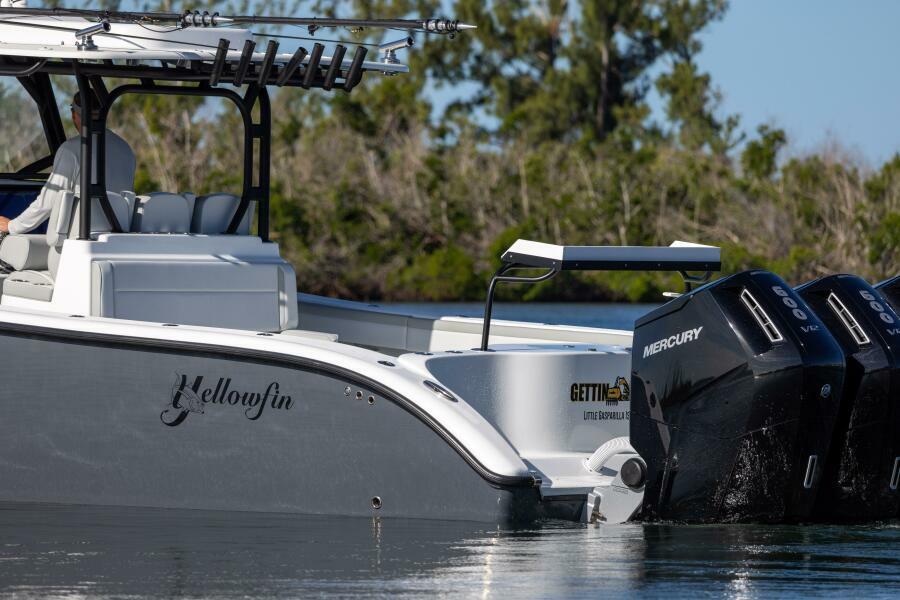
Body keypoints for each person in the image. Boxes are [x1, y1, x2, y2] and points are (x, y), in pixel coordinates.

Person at [0, 93, 135, 235]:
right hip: (118, 238)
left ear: (74, 114)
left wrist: (12, 226)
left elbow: (48, 202)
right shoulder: (125, 149)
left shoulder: (71, 149)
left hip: (79, 238)